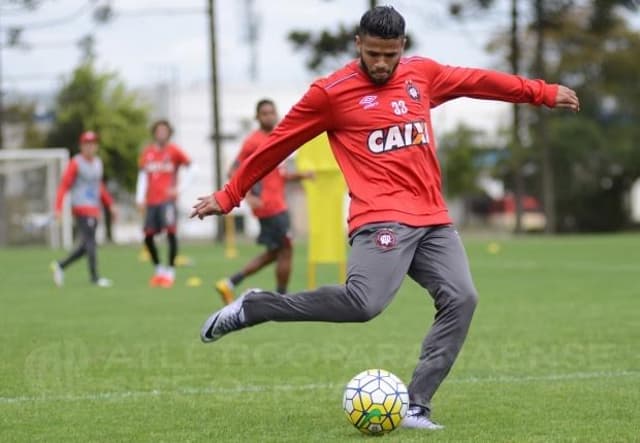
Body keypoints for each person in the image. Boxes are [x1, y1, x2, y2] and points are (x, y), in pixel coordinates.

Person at [191, 6, 580, 430]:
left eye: (389, 55)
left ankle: (416, 405)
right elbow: (277, 145)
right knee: (364, 304)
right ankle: (259, 306)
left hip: (432, 218)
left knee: (463, 298)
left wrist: (539, 92)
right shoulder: (330, 93)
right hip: (380, 218)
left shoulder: (422, 75)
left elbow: (478, 81)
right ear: (358, 44)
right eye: (373, 53)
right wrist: (229, 195)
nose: (380, 63)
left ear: (403, 48)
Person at [215, 99, 314, 304]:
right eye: (264, 113)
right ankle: (281, 297)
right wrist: (249, 196)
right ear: (257, 117)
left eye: (272, 112)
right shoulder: (253, 141)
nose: (269, 116)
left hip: (275, 204)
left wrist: (302, 176)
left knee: (275, 252)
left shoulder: (276, 137)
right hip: (271, 206)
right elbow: (233, 171)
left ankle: (230, 283)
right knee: (286, 250)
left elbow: (278, 174)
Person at [51, 131, 117, 288]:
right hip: (81, 207)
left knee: (85, 246)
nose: (90, 147)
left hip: (94, 208)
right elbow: (64, 185)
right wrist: (58, 207)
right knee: (91, 243)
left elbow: (99, 187)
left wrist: (110, 204)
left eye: (93, 144)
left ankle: (60, 265)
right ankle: (95, 278)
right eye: (87, 144)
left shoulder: (98, 163)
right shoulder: (76, 163)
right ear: (81, 146)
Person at [136, 120, 193, 288]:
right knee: (147, 236)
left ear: (169, 133)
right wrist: (139, 198)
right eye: (158, 130)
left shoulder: (174, 151)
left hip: (167, 201)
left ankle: (170, 272)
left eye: (164, 131)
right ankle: (159, 270)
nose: (161, 133)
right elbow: (142, 177)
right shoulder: (147, 153)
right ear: (154, 132)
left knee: (171, 233)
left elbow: (193, 168)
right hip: (151, 201)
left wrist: (179, 189)